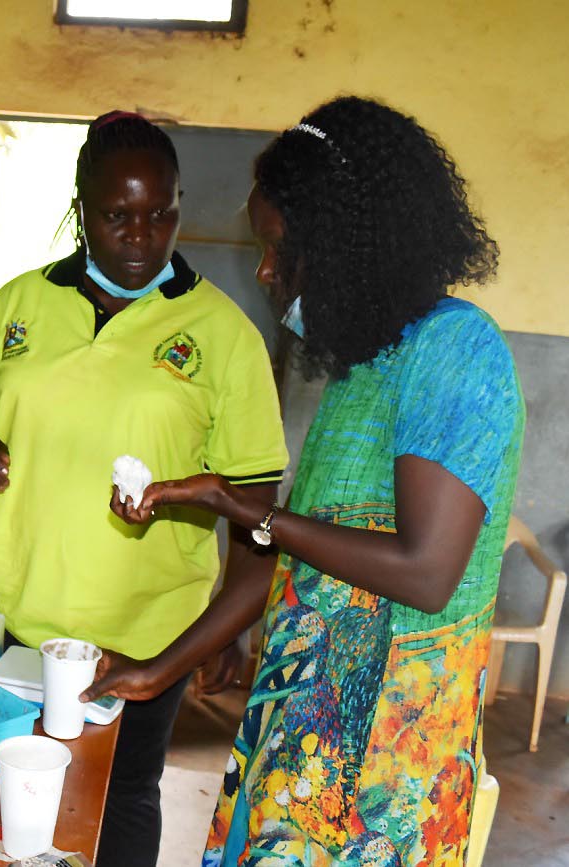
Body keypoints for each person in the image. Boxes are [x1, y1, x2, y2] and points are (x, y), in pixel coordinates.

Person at [90, 96, 522, 866]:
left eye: (278, 247)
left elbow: (424, 572)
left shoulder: (458, 353)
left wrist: (245, 509)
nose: (264, 270)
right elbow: (311, 556)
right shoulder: (362, 369)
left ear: (350, 242)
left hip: (385, 774)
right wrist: (162, 668)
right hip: (296, 740)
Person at [0, 112, 288, 866]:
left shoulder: (223, 335)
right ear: (81, 206)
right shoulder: (23, 302)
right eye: (117, 215)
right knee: (6, 792)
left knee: (119, 796)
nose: (141, 234)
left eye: (162, 214)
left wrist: (230, 631)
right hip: (14, 610)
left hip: (144, 628)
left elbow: (255, 509)